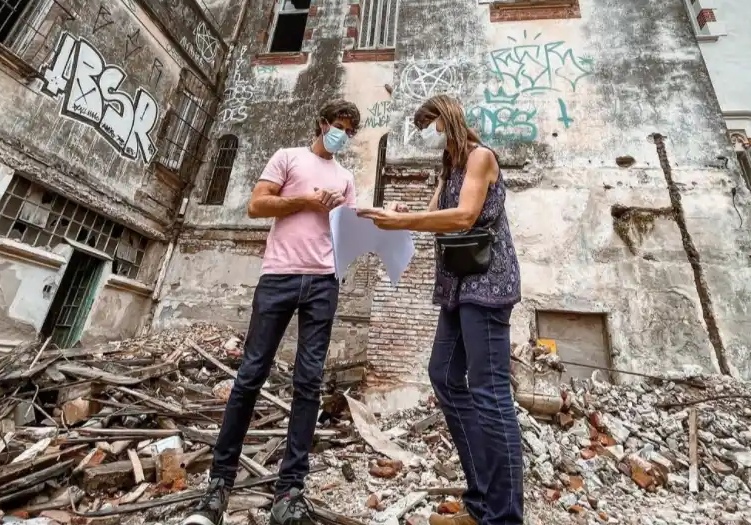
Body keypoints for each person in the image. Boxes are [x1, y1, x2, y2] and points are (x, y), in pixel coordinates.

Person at [182, 100, 361, 525]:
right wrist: (305, 201)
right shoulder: (287, 157)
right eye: (339, 126)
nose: (343, 136)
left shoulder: (346, 177)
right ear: (322, 123)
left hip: (323, 282)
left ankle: (289, 493)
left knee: (309, 383)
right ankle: (218, 487)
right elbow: (257, 205)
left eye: (350, 132)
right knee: (250, 375)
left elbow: (348, 231)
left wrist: (356, 214)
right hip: (279, 276)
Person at [358, 94, 523, 525]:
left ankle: (504, 516)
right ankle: (481, 503)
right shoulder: (450, 166)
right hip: (457, 284)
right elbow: (433, 214)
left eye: (429, 126)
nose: (428, 136)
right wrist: (398, 213)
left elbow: (463, 216)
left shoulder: (481, 157)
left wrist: (404, 221)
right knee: (444, 376)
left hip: (487, 283)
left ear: (447, 121)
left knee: (490, 392)